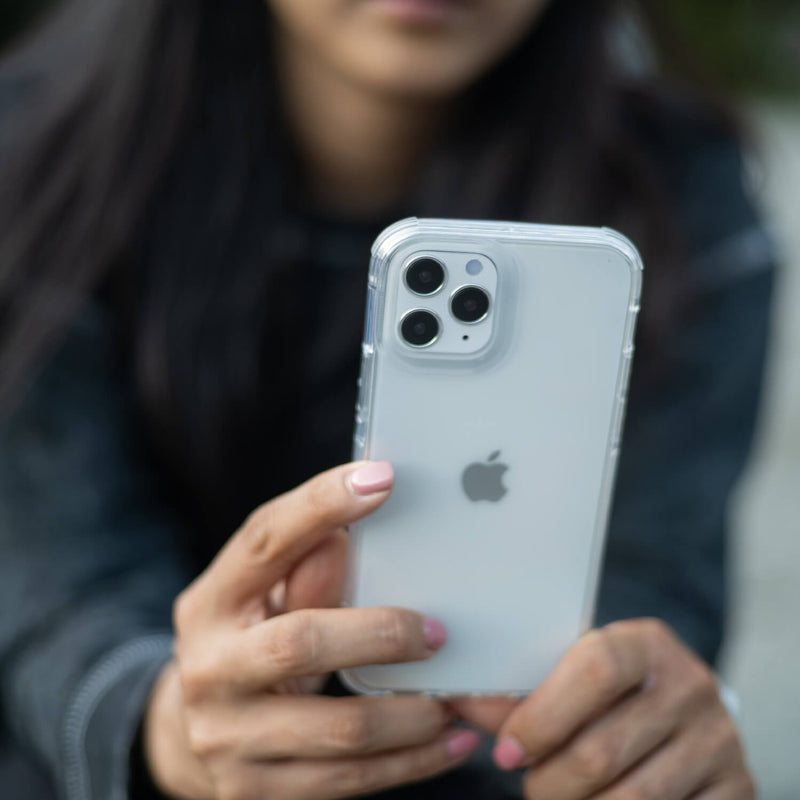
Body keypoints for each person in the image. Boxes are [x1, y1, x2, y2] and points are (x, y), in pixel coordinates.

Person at [0, 1, 775, 798]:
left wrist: (642, 729)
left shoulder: (687, 198)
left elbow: (652, 596)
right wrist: (163, 725)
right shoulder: (31, 156)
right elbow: (48, 588)